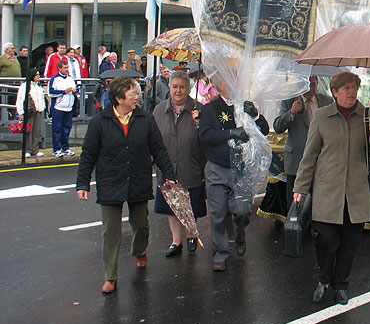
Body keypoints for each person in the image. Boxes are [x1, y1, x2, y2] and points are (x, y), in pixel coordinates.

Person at [293, 71, 370, 305]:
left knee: (350, 243)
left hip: (356, 192)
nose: (351, 91)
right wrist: (300, 187)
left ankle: (341, 284)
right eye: (345, 88)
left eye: (354, 87)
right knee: (325, 240)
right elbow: (310, 155)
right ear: (334, 93)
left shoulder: (367, 116)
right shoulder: (322, 117)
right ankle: (323, 279)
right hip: (328, 192)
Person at [76, 75, 175, 295]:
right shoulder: (100, 122)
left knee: (141, 224)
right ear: (119, 98)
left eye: (137, 94)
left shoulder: (145, 119)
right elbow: (88, 155)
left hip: (138, 179)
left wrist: (168, 173)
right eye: (132, 94)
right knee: (110, 232)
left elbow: (158, 148)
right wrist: (82, 183)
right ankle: (110, 276)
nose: (137, 97)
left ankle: (139, 250)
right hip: (111, 181)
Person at [199, 77, 269, 272]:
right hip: (217, 168)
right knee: (218, 214)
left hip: (241, 167)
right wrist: (231, 133)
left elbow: (263, 130)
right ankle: (220, 253)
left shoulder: (245, 106)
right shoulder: (210, 109)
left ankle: (239, 234)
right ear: (219, 85)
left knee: (243, 210)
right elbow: (205, 135)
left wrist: (256, 116)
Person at [152, 70, 207, 256]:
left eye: (182, 87)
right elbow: (152, 139)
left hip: (190, 165)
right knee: (171, 205)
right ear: (169, 87)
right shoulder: (159, 110)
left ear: (188, 89)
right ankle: (176, 241)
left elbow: (207, 139)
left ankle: (191, 234)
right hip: (167, 168)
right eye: (175, 86)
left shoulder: (199, 109)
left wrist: (198, 122)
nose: (178, 91)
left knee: (191, 205)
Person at [273, 76, 333, 207]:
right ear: (300, 85)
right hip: (297, 162)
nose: (310, 89)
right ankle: (295, 226)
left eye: (313, 84)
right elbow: (278, 127)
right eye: (307, 85)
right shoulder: (290, 101)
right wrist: (291, 113)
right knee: (296, 205)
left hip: (321, 161)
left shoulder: (327, 101)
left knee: (320, 202)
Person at [16, 68, 47, 158]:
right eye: (36, 75)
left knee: (36, 132)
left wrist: (43, 108)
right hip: (29, 112)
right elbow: (20, 100)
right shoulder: (25, 86)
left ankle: (35, 149)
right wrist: (21, 112)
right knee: (28, 131)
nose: (38, 77)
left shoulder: (38, 86)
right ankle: (28, 150)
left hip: (38, 111)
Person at [48, 60, 76, 157]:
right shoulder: (54, 79)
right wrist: (64, 91)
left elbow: (76, 90)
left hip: (69, 107)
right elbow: (51, 92)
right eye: (65, 68)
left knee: (67, 129)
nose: (67, 70)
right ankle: (56, 149)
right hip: (58, 107)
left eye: (67, 67)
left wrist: (74, 91)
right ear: (59, 68)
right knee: (57, 128)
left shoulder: (71, 79)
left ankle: (65, 148)